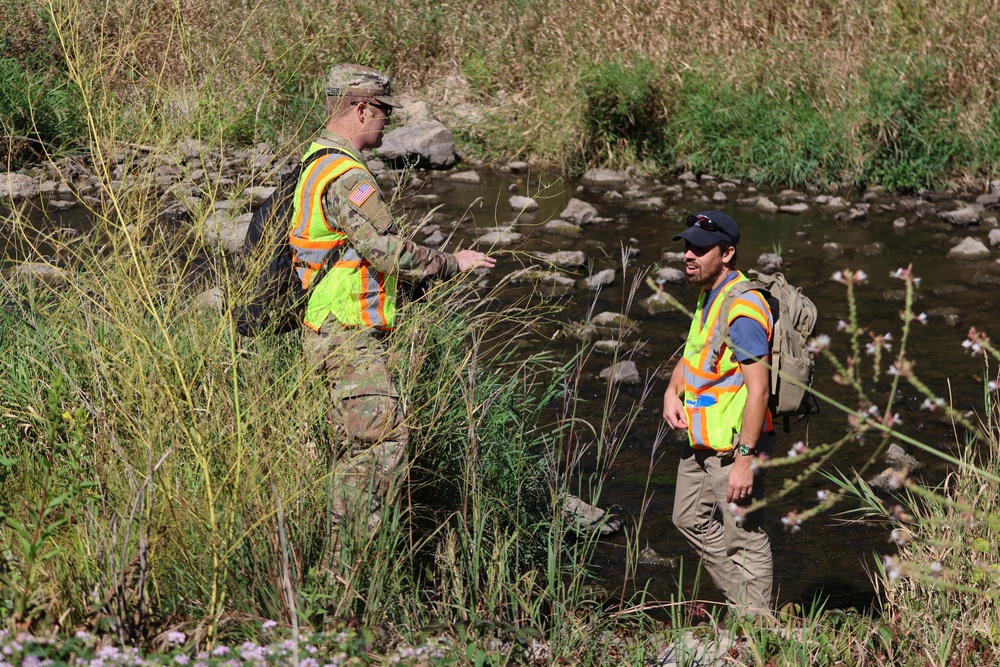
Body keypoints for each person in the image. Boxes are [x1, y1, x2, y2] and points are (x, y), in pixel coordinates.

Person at [291, 64, 495, 553]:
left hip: (325, 327)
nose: (386, 120)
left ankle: (334, 565)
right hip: (346, 334)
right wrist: (451, 262)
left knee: (349, 447)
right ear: (360, 108)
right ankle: (349, 567)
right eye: (383, 110)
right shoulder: (347, 176)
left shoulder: (314, 159)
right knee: (381, 442)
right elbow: (386, 251)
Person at [661, 211, 775, 616]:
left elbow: (759, 389)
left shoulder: (744, 310)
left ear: (727, 253)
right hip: (700, 438)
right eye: (687, 247)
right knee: (688, 518)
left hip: (733, 447)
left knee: (744, 535)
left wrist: (745, 460)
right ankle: (747, 608)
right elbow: (696, 353)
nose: (688, 255)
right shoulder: (710, 293)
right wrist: (672, 390)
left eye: (700, 249)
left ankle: (758, 629)